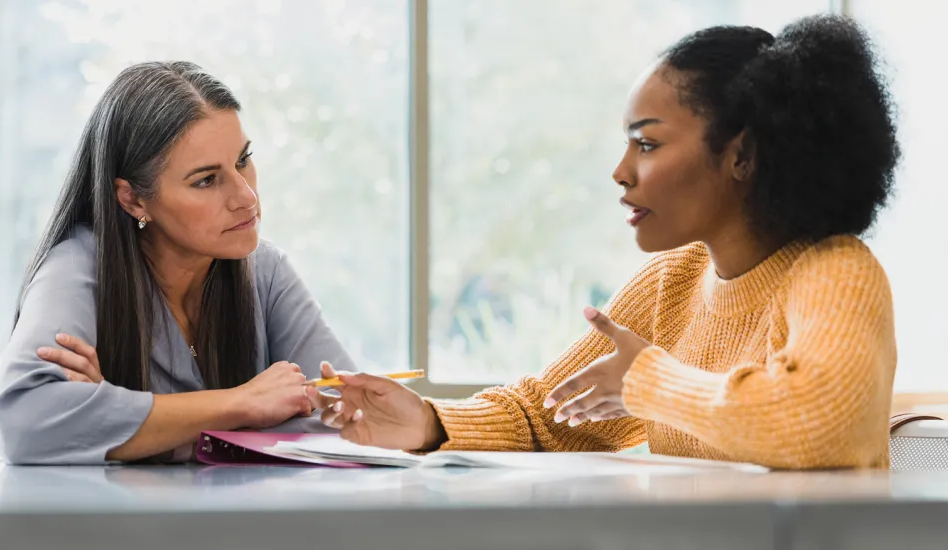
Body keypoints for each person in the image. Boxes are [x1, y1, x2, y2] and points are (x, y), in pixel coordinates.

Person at [318, 14, 901, 470]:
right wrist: (428, 422)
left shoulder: (836, 271)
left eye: (647, 145)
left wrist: (647, 382)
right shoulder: (672, 282)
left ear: (741, 154)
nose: (620, 171)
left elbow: (817, 426)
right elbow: (549, 417)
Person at [0, 61, 353, 464]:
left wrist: (117, 419)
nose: (246, 197)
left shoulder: (265, 270)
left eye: (242, 160)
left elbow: (347, 418)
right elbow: (26, 423)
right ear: (132, 198)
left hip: (248, 526)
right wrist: (241, 404)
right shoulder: (77, 267)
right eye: (206, 180)